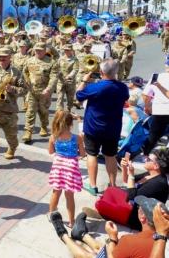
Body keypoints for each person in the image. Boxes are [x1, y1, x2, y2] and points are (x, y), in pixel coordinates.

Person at [76, 58, 129, 195]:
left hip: (93, 127)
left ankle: (93, 186)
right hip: (113, 128)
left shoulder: (94, 87)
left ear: (101, 72)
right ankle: (113, 185)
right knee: (110, 156)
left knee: (91, 155)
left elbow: (78, 96)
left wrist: (84, 81)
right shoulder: (123, 88)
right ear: (116, 72)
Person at [50, 195, 159, 258]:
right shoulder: (159, 242)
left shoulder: (131, 241)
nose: (137, 208)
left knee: (90, 256)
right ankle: (82, 234)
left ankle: (62, 234)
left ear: (142, 217)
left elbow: (111, 257)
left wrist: (112, 237)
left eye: (139, 208)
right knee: (105, 248)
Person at [48, 110, 85, 228]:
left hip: (58, 167)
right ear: (71, 124)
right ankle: (71, 221)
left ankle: (52, 215)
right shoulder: (77, 138)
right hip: (71, 168)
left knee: (56, 192)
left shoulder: (53, 137)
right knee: (69, 196)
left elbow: (51, 152)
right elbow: (82, 154)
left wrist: (59, 157)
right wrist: (76, 157)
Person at [22, 42, 59, 143]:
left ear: (44, 51)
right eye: (36, 50)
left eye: (40, 50)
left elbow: (54, 77)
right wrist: (27, 82)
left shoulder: (51, 62)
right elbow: (24, 72)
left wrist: (48, 89)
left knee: (43, 111)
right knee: (30, 111)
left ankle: (44, 126)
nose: (38, 52)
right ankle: (28, 131)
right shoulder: (29, 61)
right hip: (32, 91)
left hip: (45, 92)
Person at [141, 64, 169, 155]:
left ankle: (146, 155)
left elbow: (146, 94)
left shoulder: (156, 76)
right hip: (161, 110)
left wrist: (147, 107)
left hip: (159, 110)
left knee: (153, 135)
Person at [56, 44, 78, 112]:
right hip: (61, 82)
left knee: (70, 99)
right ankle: (59, 113)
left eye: (68, 50)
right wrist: (57, 73)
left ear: (71, 50)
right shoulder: (61, 58)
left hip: (70, 82)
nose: (66, 51)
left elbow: (75, 69)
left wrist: (69, 76)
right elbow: (57, 67)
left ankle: (69, 110)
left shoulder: (75, 59)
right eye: (65, 50)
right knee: (60, 98)